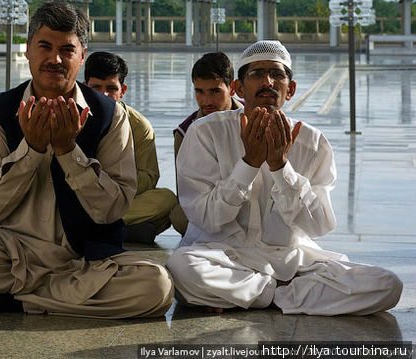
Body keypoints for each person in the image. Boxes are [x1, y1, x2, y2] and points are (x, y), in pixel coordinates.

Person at [0, 2, 173, 319]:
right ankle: (55, 296)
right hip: (12, 253)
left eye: (67, 49)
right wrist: (31, 150)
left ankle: (17, 301)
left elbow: (112, 209)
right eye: (45, 47)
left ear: (82, 55)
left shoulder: (109, 115)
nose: (55, 59)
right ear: (27, 50)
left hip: (88, 260)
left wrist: (68, 153)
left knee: (157, 287)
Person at [166, 40, 402, 315]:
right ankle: (283, 293)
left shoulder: (312, 142)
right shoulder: (206, 133)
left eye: (277, 75)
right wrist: (249, 164)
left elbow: (319, 225)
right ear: (238, 88)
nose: (268, 81)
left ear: (290, 90)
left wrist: (280, 167)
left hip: (291, 260)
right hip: (221, 255)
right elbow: (207, 218)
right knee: (182, 270)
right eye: (256, 74)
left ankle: (255, 293)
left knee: (386, 285)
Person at [83, 51, 180, 244]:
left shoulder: (139, 126)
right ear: (85, 88)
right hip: (81, 197)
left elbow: (150, 177)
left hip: (121, 198)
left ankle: (89, 227)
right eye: (96, 88)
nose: (103, 95)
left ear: (123, 90)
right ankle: (119, 229)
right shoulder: (73, 117)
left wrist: (113, 180)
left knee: (166, 200)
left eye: (111, 88)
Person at [173, 52, 242, 158]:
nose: (207, 101)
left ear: (232, 88)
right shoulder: (184, 133)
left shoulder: (256, 117)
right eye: (200, 92)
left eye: (215, 91)